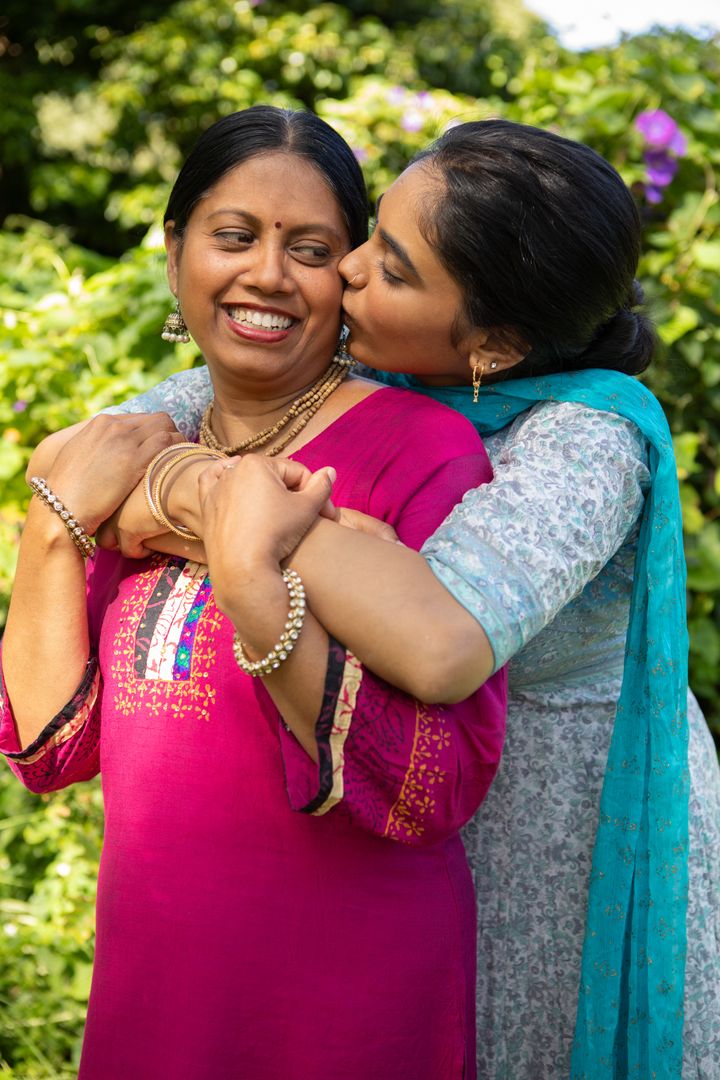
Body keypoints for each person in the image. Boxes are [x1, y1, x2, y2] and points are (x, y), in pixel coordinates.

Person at [93, 119, 720, 1079]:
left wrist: (242, 515)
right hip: (401, 810)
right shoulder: (377, 378)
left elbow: (438, 645)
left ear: (496, 344)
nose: (342, 268)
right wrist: (236, 501)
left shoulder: (582, 444)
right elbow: (111, 461)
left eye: (390, 267)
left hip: (564, 829)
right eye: (369, 235)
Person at [0, 107, 508, 1080]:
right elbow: (50, 749)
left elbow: (434, 786)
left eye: (310, 249)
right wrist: (51, 526)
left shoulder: (420, 451)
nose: (267, 275)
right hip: (156, 980)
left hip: (345, 1001)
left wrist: (256, 591)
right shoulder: (141, 451)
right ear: (174, 250)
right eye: (233, 236)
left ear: (349, 275)